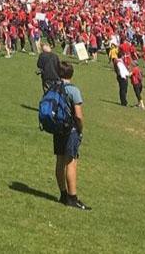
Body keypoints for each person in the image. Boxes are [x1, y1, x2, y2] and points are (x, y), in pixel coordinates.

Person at [53, 62, 89, 210]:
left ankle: (62, 193)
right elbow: (78, 115)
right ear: (71, 75)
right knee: (71, 162)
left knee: (59, 160)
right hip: (70, 129)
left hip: (57, 127)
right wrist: (80, 129)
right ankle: (72, 197)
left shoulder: (54, 87)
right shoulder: (73, 90)